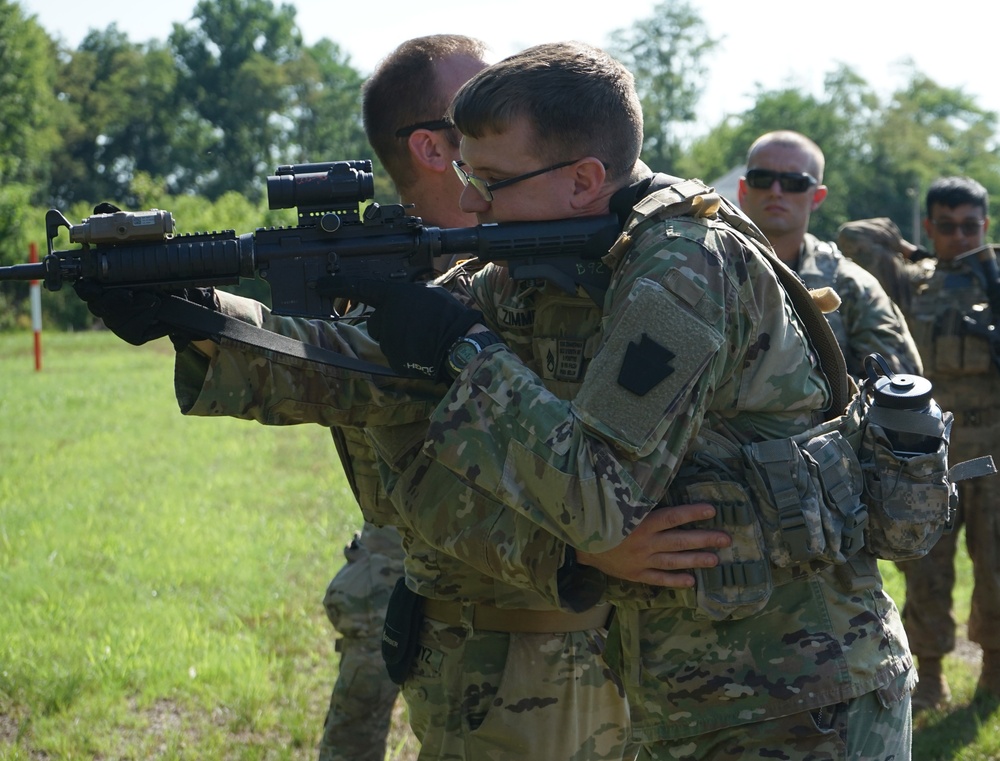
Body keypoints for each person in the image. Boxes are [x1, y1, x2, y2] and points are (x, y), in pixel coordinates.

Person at [78, 42, 913, 759]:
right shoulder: (544, 262)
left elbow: (602, 502)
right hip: (686, 695)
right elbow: (375, 371)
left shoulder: (686, 265)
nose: (471, 204)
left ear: (585, 178)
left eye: (492, 181)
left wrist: (463, 347)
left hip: (805, 704)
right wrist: (196, 315)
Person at [318, 34, 488, 761]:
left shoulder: (567, 241)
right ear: (432, 147)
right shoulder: (378, 290)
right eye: (486, 102)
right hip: (426, 568)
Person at [838, 177, 1000, 712]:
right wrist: (913, 250)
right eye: (946, 226)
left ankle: (995, 671)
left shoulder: (995, 279)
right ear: (929, 227)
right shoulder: (910, 281)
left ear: (986, 225)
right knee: (926, 569)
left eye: (970, 226)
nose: (959, 236)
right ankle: (930, 674)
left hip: (994, 450)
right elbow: (854, 237)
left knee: (996, 563)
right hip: (927, 455)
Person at [737, 130, 922, 378]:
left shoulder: (852, 287)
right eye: (762, 178)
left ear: (817, 197)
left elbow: (895, 390)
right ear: (743, 189)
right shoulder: (706, 270)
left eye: (794, 182)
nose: (776, 191)